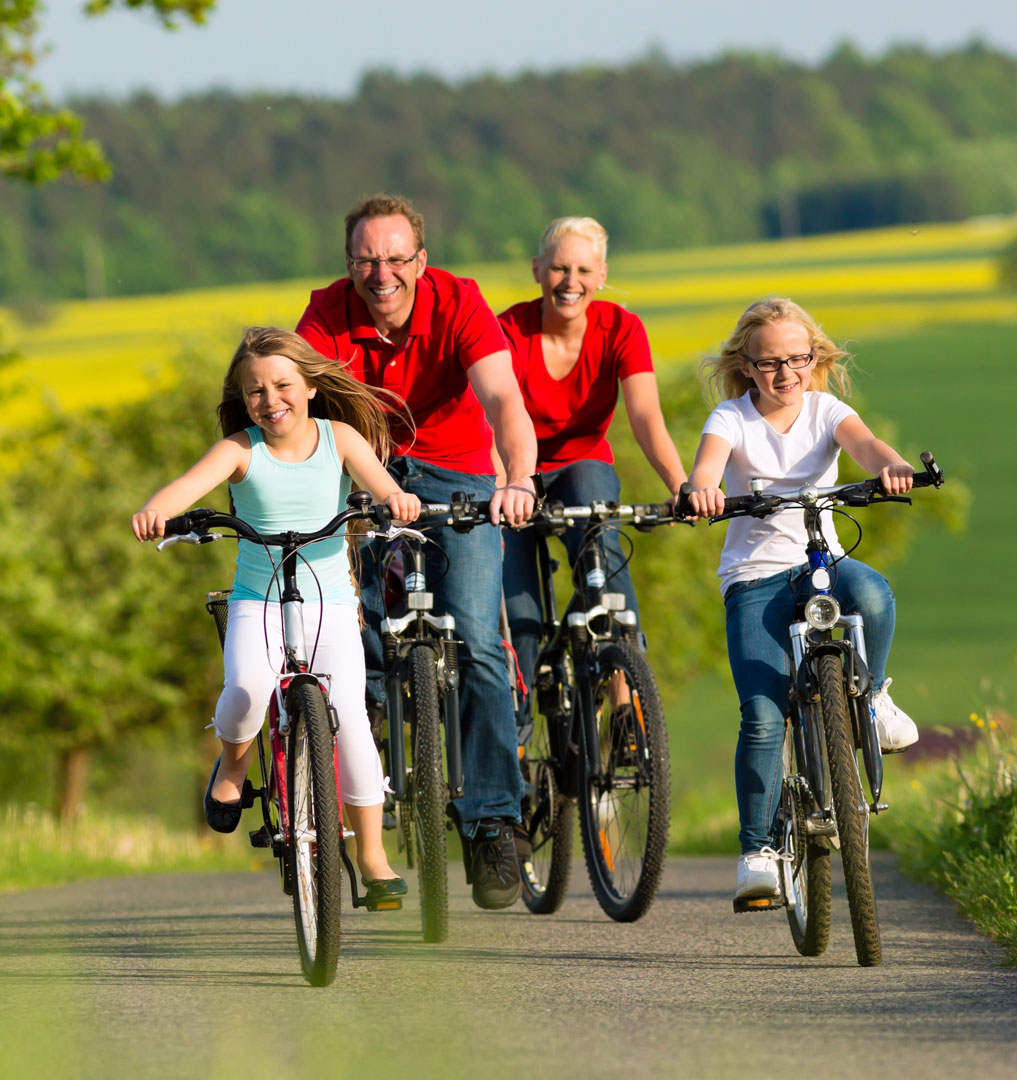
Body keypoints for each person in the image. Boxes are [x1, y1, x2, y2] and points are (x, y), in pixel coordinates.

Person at [294, 194, 539, 910]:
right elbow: (296, 404)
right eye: (367, 259)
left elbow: (503, 400)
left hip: (458, 470)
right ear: (349, 264)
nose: (382, 272)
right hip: (366, 472)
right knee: (351, 637)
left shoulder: (460, 301)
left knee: (478, 642)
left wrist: (517, 479)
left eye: (396, 258)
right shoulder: (326, 313)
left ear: (420, 262)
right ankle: (360, 795)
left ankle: (494, 820)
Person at [132, 327, 421, 906]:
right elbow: (187, 487)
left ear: (311, 386)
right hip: (257, 602)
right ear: (244, 400)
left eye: (283, 385)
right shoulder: (241, 449)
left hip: (332, 605)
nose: (270, 400)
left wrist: (398, 501)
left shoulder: (340, 438)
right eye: (255, 391)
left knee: (353, 722)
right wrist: (156, 511)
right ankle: (233, 765)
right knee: (245, 690)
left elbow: (384, 487)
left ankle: (371, 857)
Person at [679, 297, 922, 905]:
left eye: (798, 359)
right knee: (763, 717)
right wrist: (702, 491)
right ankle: (757, 851)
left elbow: (865, 446)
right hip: (755, 578)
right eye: (768, 364)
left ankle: (876, 697)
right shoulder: (730, 418)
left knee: (870, 589)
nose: (785, 374)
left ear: (816, 358)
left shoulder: (826, 409)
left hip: (822, 564)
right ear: (746, 365)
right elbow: (707, 467)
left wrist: (892, 467)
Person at [496, 216, 690, 736]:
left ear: (601, 274)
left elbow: (646, 417)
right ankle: (515, 750)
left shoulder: (621, 329)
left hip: (582, 464)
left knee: (602, 546)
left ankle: (624, 697)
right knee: (519, 615)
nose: (569, 280)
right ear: (537, 269)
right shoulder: (507, 330)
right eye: (558, 267)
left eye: (582, 269)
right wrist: (503, 488)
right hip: (514, 469)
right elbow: (490, 417)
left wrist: (679, 484)